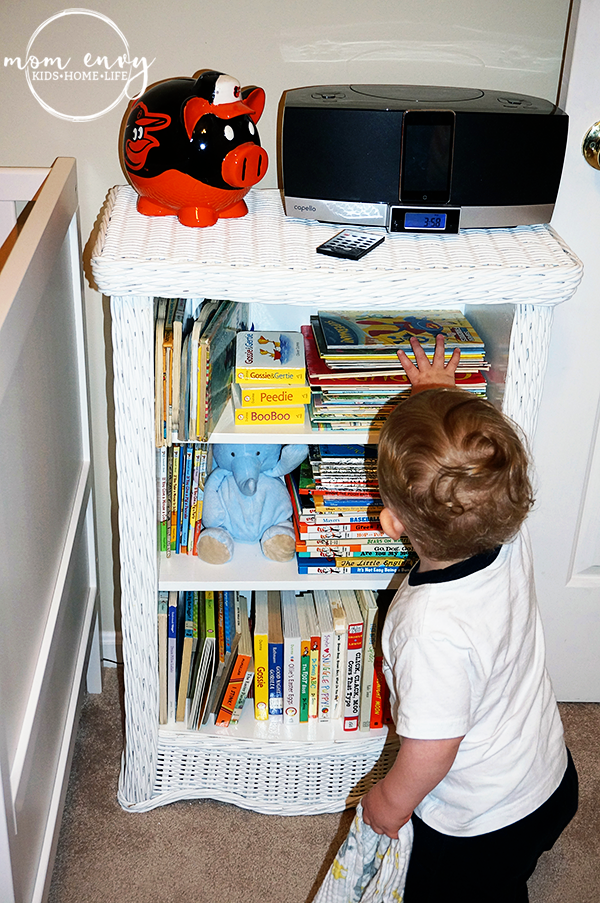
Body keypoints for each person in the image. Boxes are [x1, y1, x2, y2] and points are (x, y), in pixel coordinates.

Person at [361, 333, 578, 902]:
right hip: (549, 774)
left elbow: (431, 751)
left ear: (391, 523)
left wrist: (389, 801)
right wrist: (439, 395)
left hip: (482, 822)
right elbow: (474, 476)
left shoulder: (427, 627)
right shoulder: (506, 533)